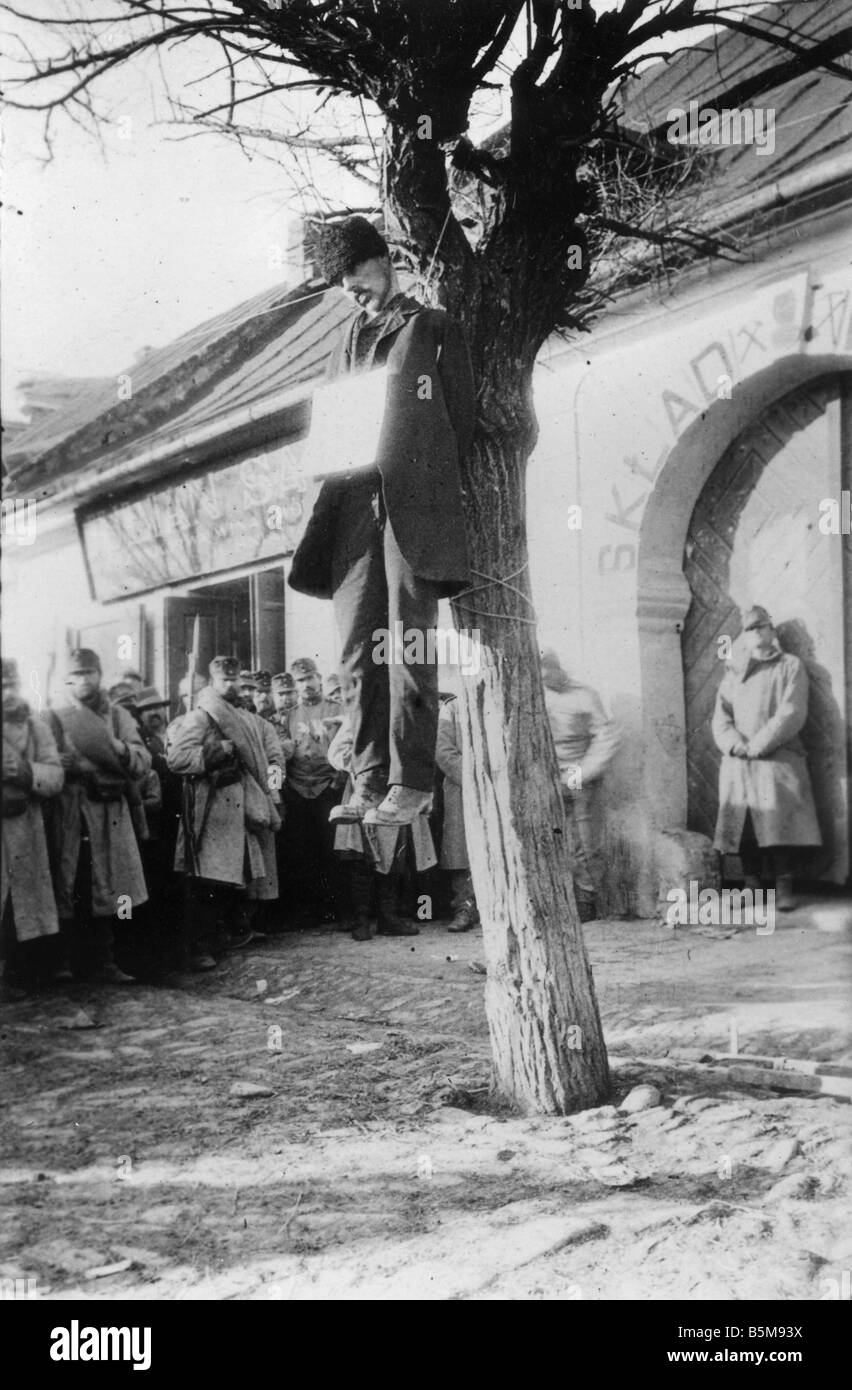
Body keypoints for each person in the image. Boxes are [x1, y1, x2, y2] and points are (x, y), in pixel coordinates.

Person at [289, 216, 475, 827]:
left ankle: (411, 782)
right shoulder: (344, 342)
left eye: (354, 275)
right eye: (338, 283)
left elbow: (462, 422)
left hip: (408, 510)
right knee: (356, 649)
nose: (350, 290)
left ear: (384, 258)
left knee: (407, 639)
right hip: (350, 510)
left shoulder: (432, 327)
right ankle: (367, 780)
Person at [166, 655, 283, 953]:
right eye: (225, 680)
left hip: (243, 807)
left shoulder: (249, 720)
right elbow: (177, 759)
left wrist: (274, 795)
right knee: (209, 880)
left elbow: (269, 762)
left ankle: (228, 934)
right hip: (211, 810)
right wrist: (215, 750)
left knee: (236, 877)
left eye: (235, 679)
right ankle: (201, 947)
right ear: (213, 682)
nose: (231, 685)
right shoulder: (201, 716)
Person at [48, 647, 151, 983]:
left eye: (89, 673)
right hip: (70, 810)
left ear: (99, 675)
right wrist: (60, 765)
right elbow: (41, 759)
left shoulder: (119, 716)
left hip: (109, 810)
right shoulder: (54, 716)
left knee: (111, 883)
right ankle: (62, 960)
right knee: (68, 881)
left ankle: (106, 960)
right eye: (75, 675)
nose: (83, 681)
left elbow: (142, 759)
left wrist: (118, 748)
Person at [712, 605, 822, 911]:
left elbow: (791, 712)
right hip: (739, 761)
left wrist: (758, 745)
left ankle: (784, 885)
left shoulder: (789, 665)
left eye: (762, 625)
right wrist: (734, 745)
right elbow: (720, 716)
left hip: (776, 756)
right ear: (743, 636)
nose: (757, 631)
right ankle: (750, 884)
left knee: (779, 823)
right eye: (749, 628)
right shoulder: (734, 672)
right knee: (744, 825)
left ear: (772, 630)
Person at [1, 658, 65, 992]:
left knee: (23, 903)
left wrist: (27, 774)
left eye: (11, 685)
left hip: (25, 829)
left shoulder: (36, 726)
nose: (6, 693)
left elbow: (56, 776)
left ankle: (20, 972)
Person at [541, 649, 618, 923]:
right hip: (543, 776)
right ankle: (556, 900)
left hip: (579, 774)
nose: (546, 678)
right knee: (549, 839)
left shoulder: (585, 694)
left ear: (559, 669)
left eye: (550, 671)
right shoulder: (534, 693)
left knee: (584, 843)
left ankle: (587, 900)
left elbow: (605, 736)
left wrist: (580, 774)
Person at [327, 715, 420, 941]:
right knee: (361, 858)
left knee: (392, 858)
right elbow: (336, 752)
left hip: (394, 794)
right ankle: (362, 919)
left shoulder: (405, 716)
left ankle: (388, 917)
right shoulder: (360, 714)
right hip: (364, 793)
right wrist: (368, 767)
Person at [282, 657, 344, 926]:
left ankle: (333, 908)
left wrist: (337, 782)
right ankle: (306, 911)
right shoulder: (290, 715)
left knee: (330, 850)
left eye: (309, 679)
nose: (305, 685)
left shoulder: (337, 709)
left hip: (327, 788)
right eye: (300, 681)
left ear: (319, 678)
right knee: (301, 852)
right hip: (297, 788)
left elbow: (349, 747)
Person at [434, 692, 480, 933]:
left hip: (500, 785)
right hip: (462, 786)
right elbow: (444, 751)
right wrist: (475, 781)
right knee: (462, 851)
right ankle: (465, 907)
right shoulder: (453, 708)